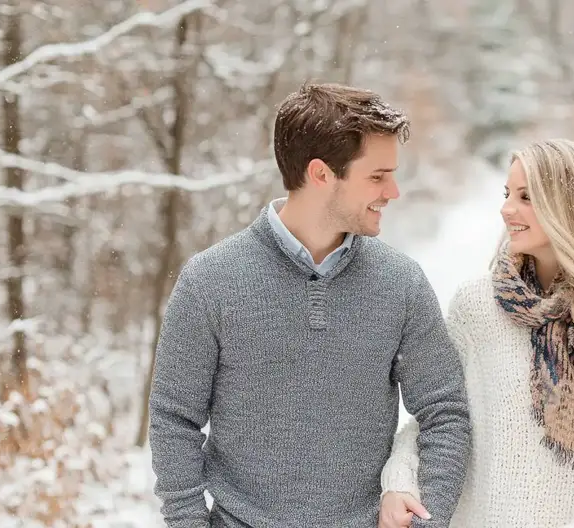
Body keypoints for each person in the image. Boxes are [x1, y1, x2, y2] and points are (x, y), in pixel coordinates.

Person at [148, 82, 472, 528]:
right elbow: (173, 421)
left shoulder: (401, 284)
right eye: (377, 176)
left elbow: (445, 412)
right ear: (321, 174)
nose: (393, 192)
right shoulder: (210, 281)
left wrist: (425, 521)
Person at [377, 139, 574, 528]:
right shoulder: (477, 306)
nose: (506, 208)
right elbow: (439, 415)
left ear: (570, 205)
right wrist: (398, 482)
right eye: (507, 194)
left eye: (526, 196)